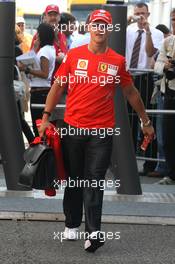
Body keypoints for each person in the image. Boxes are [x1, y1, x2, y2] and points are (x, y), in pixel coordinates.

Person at [39, 9, 154, 252]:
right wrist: (47, 117)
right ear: (89, 27)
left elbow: (131, 92)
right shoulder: (73, 55)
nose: (100, 29)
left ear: (109, 30)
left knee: (94, 181)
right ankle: (72, 222)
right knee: (74, 180)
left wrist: (145, 120)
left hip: (102, 133)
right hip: (72, 129)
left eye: (105, 25)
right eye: (96, 24)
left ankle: (93, 234)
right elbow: (58, 87)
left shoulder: (117, 61)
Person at [126, 2, 164, 175]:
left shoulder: (156, 33)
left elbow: (150, 53)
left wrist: (147, 31)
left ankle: (149, 163)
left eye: (143, 13)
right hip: (127, 77)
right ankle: (127, 160)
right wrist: (127, 21)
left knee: (147, 118)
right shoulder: (128, 30)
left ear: (148, 14)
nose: (140, 17)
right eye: (137, 13)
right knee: (127, 120)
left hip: (144, 77)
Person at [20, 23, 56, 137]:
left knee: (39, 129)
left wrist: (27, 69)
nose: (37, 36)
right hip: (44, 90)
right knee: (42, 128)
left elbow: (44, 73)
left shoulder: (44, 51)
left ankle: (41, 152)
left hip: (39, 92)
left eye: (38, 33)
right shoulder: (50, 49)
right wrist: (35, 48)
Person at [154, 8, 175, 184]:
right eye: (173, 20)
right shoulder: (168, 42)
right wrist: (166, 67)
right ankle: (171, 173)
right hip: (168, 93)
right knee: (167, 137)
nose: (174, 23)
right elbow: (157, 66)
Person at [14, 25, 34, 144]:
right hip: (16, 87)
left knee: (18, 118)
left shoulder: (13, 49)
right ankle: (31, 141)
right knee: (19, 118)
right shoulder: (17, 49)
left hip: (11, 87)